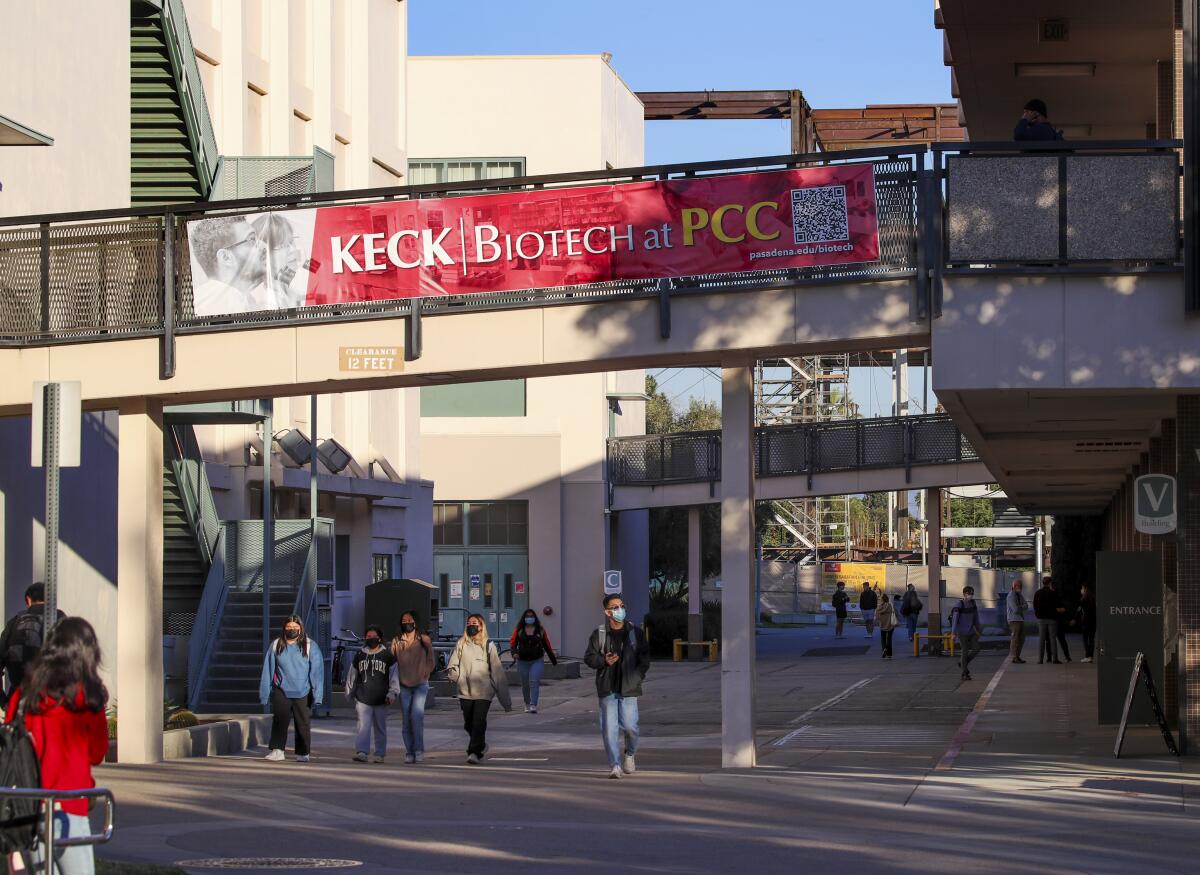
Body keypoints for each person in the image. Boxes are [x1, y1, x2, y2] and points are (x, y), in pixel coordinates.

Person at [5, 617, 109, 875]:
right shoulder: (89, 697)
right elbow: (97, 753)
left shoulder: (24, 695)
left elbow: (9, 741)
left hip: (29, 808)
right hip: (71, 806)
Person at [584, 594, 651, 779]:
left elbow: (644, 659)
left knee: (631, 727)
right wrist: (603, 660)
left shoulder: (635, 633)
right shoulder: (599, 633)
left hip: (629, 687)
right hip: (608, 688)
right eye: (615, 607)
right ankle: (614, 765)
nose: (619, 610)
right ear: (607, 612)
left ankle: (629, 754)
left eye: (621, 605)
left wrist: (637, 677)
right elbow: (589, 657)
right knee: (609, 729)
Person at [446, 613, 512, 764]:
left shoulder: (489, 645)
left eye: (474, 623)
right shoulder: (461, 644)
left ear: (481, 626)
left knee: (478, 721)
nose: (471, 626)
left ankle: (474, 752)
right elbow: (453, 664)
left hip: (484, 692)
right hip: (465, 692)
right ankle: (481, 744)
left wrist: (506, 702)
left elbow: (498, 674)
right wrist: (455, 675)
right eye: (469, 623)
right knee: (468, 724)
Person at [259, 615, 324, 762]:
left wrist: (317, 694)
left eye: (295, 627)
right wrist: (264, 693)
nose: (292, 630)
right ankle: (277, 750)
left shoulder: (309, 646)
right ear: (284, 628)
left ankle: (303, 752)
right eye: (289, 627)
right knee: (279, 721)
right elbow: (268, 670)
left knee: (303, 723)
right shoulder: (276, 645)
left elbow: (317, 672)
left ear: (301, 628)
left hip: (303, 691)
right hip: (281, 690)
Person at [189, 215, 270, 317]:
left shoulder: (241, 300)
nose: (264, 246)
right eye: (252, 239)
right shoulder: (225, 303)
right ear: (226, 257)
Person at [0, 582, 66, 696]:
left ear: (28, 600)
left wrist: (3, 701)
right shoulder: (60, 618)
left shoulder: (14, 622)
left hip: (20, 699)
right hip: (54, 699)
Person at [344, 625, 398, 764]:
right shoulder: (360, 655)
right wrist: (349, 692)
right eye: (368, 636)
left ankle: (380, 753)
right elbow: (352, 675)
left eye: (374, 636)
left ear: (379, 638)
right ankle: (362, 752)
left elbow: (394, 676)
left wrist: (393, 693)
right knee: (363, 726)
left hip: (381, 698)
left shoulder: (387, 656)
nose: (371, 639)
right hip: (363, 697)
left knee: (380, 727)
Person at [391, 611, 435, 763]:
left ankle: (419, 749)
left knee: (416, 717)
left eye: (409, 620)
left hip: (420, 684)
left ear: (415, 622)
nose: (407, 623)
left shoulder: (424, 639)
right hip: (404, 685)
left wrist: (426, 673)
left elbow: (431, 659)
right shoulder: (397, 641)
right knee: (406, 719)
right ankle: (409, 751)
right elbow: (392, 662)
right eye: (404, 620)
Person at [251, 212, 307, 309]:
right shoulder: (261, 302)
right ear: (263, 253)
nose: (293, 249)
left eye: (291, 241)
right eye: (282, 246)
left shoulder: (286, 287)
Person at [509, 608, 558, 714]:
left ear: (535, 618)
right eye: (527, 616)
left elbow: (547, 645)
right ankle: (527, 703)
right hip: (522, 661)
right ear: (524, 618)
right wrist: (514, 653)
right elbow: (513, 643)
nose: (529, 618)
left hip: (537, 660)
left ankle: (533, 704)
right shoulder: (519, 629)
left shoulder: (540, 630)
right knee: (525, 683)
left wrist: (553, 660)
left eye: (531, 616)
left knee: (534, 682)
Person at [950, 585, 983, 681]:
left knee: (977, 649)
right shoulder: (959, 604)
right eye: (969, 594)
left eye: (972, 594)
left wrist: (979, 629)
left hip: (971, 632)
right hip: (962, 633)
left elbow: (976, 617)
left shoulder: (973, 603)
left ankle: (962, 663)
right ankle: (964, 673)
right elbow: (955, 620)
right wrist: (953, 633)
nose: (971, 595)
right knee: (965, 651)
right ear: (964, 594)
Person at [1033, 577, 1063, 665]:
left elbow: (1035, 605)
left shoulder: (1038, 593)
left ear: (1043, 583)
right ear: (1050, 583)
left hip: (1041, 619)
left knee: (1041, 639)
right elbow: (1058, 605)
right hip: (1052, 618)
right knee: (1053, 639)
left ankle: (1040, 659)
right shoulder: (1053, 593)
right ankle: (1055, 659)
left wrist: (1038, 615)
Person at [1007, 580, 1029, 664]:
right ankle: (1014, 657)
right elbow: (1015, 609)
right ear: (1014, 586)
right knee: (1015, 639)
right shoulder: (1011, 596)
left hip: (1020, 619)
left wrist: (1020, 607)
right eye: (1019, 586)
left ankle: (1017, 656)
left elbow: (1026, 605)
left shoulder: (1019, 595)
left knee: (1022, 638)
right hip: (1013, 619)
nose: (1021, 587)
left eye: (1021, 586)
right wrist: (1021, 607)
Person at [1079, 584, 1097, 663]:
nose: (1081, 590)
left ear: (1085, 589)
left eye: (1082, 588)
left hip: (1086, 622)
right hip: (1093, 622)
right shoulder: (1092, 598)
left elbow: (1082, 611)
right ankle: (1091, 656)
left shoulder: (1084, 599)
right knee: (1091, 639)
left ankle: (1087, 656)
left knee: (1085, 639)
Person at [876, 591, 897, 660]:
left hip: (882, 625)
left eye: (880, 599)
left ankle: (884, 649)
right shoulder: (890, 605)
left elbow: (877, 618)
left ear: (882, 600)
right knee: (889, 639)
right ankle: (889, 654)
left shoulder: (879, 608)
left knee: (883, 639)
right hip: (890, 624)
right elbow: (894, 612)